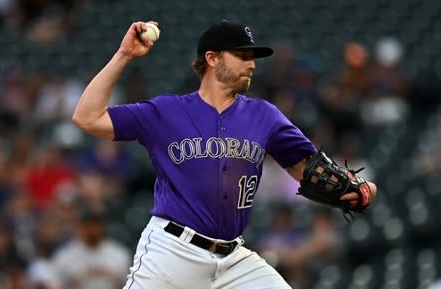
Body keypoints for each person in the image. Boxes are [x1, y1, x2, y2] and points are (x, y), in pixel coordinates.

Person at [72, 20, 378, 289]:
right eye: (243, 56)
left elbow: (304, 166)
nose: (252, 64)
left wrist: (349, 187)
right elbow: (87, 117)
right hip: (173, 252)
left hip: (233, 260)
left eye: (252, 58)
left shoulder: (264, 115)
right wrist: (124, 54)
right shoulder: (165, 112)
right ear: (213, 59)